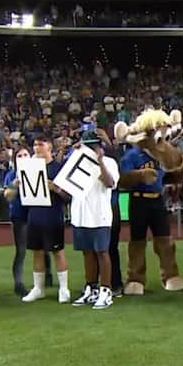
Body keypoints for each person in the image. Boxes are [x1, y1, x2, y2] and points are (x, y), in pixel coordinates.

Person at [70, 133, 120, 310]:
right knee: (87, 252)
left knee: (102, 252)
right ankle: (90, 288)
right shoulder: (77, 162)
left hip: (100, 214)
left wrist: (98, 162)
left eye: (93, 146)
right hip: (80, 213)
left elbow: (110, 183)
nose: (90, 150)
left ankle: (105, 291)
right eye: (86, 146)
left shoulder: (109, 163)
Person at [21, 136, 71, 304]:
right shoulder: (29, 168)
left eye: (40, 144)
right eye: (34, 144)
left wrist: (55, 188)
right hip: (34, 213)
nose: (36, 147)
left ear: (49, 146)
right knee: (37, 251)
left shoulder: (58, 168)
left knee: (57, 251)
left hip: (53, 214)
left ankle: (63, 288)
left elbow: (68, 195)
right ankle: (38, 288)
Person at [3, 147, 52, 296]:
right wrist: (15, 185)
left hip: (37, 212)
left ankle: (47, 275)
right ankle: (18, 282)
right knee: (22, 249)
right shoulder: (11, 175)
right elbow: (7, 196)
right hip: (20, 214)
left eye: (25, 154)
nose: (23, 157)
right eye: (20, 155)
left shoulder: (38, 170)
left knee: (44, 246)